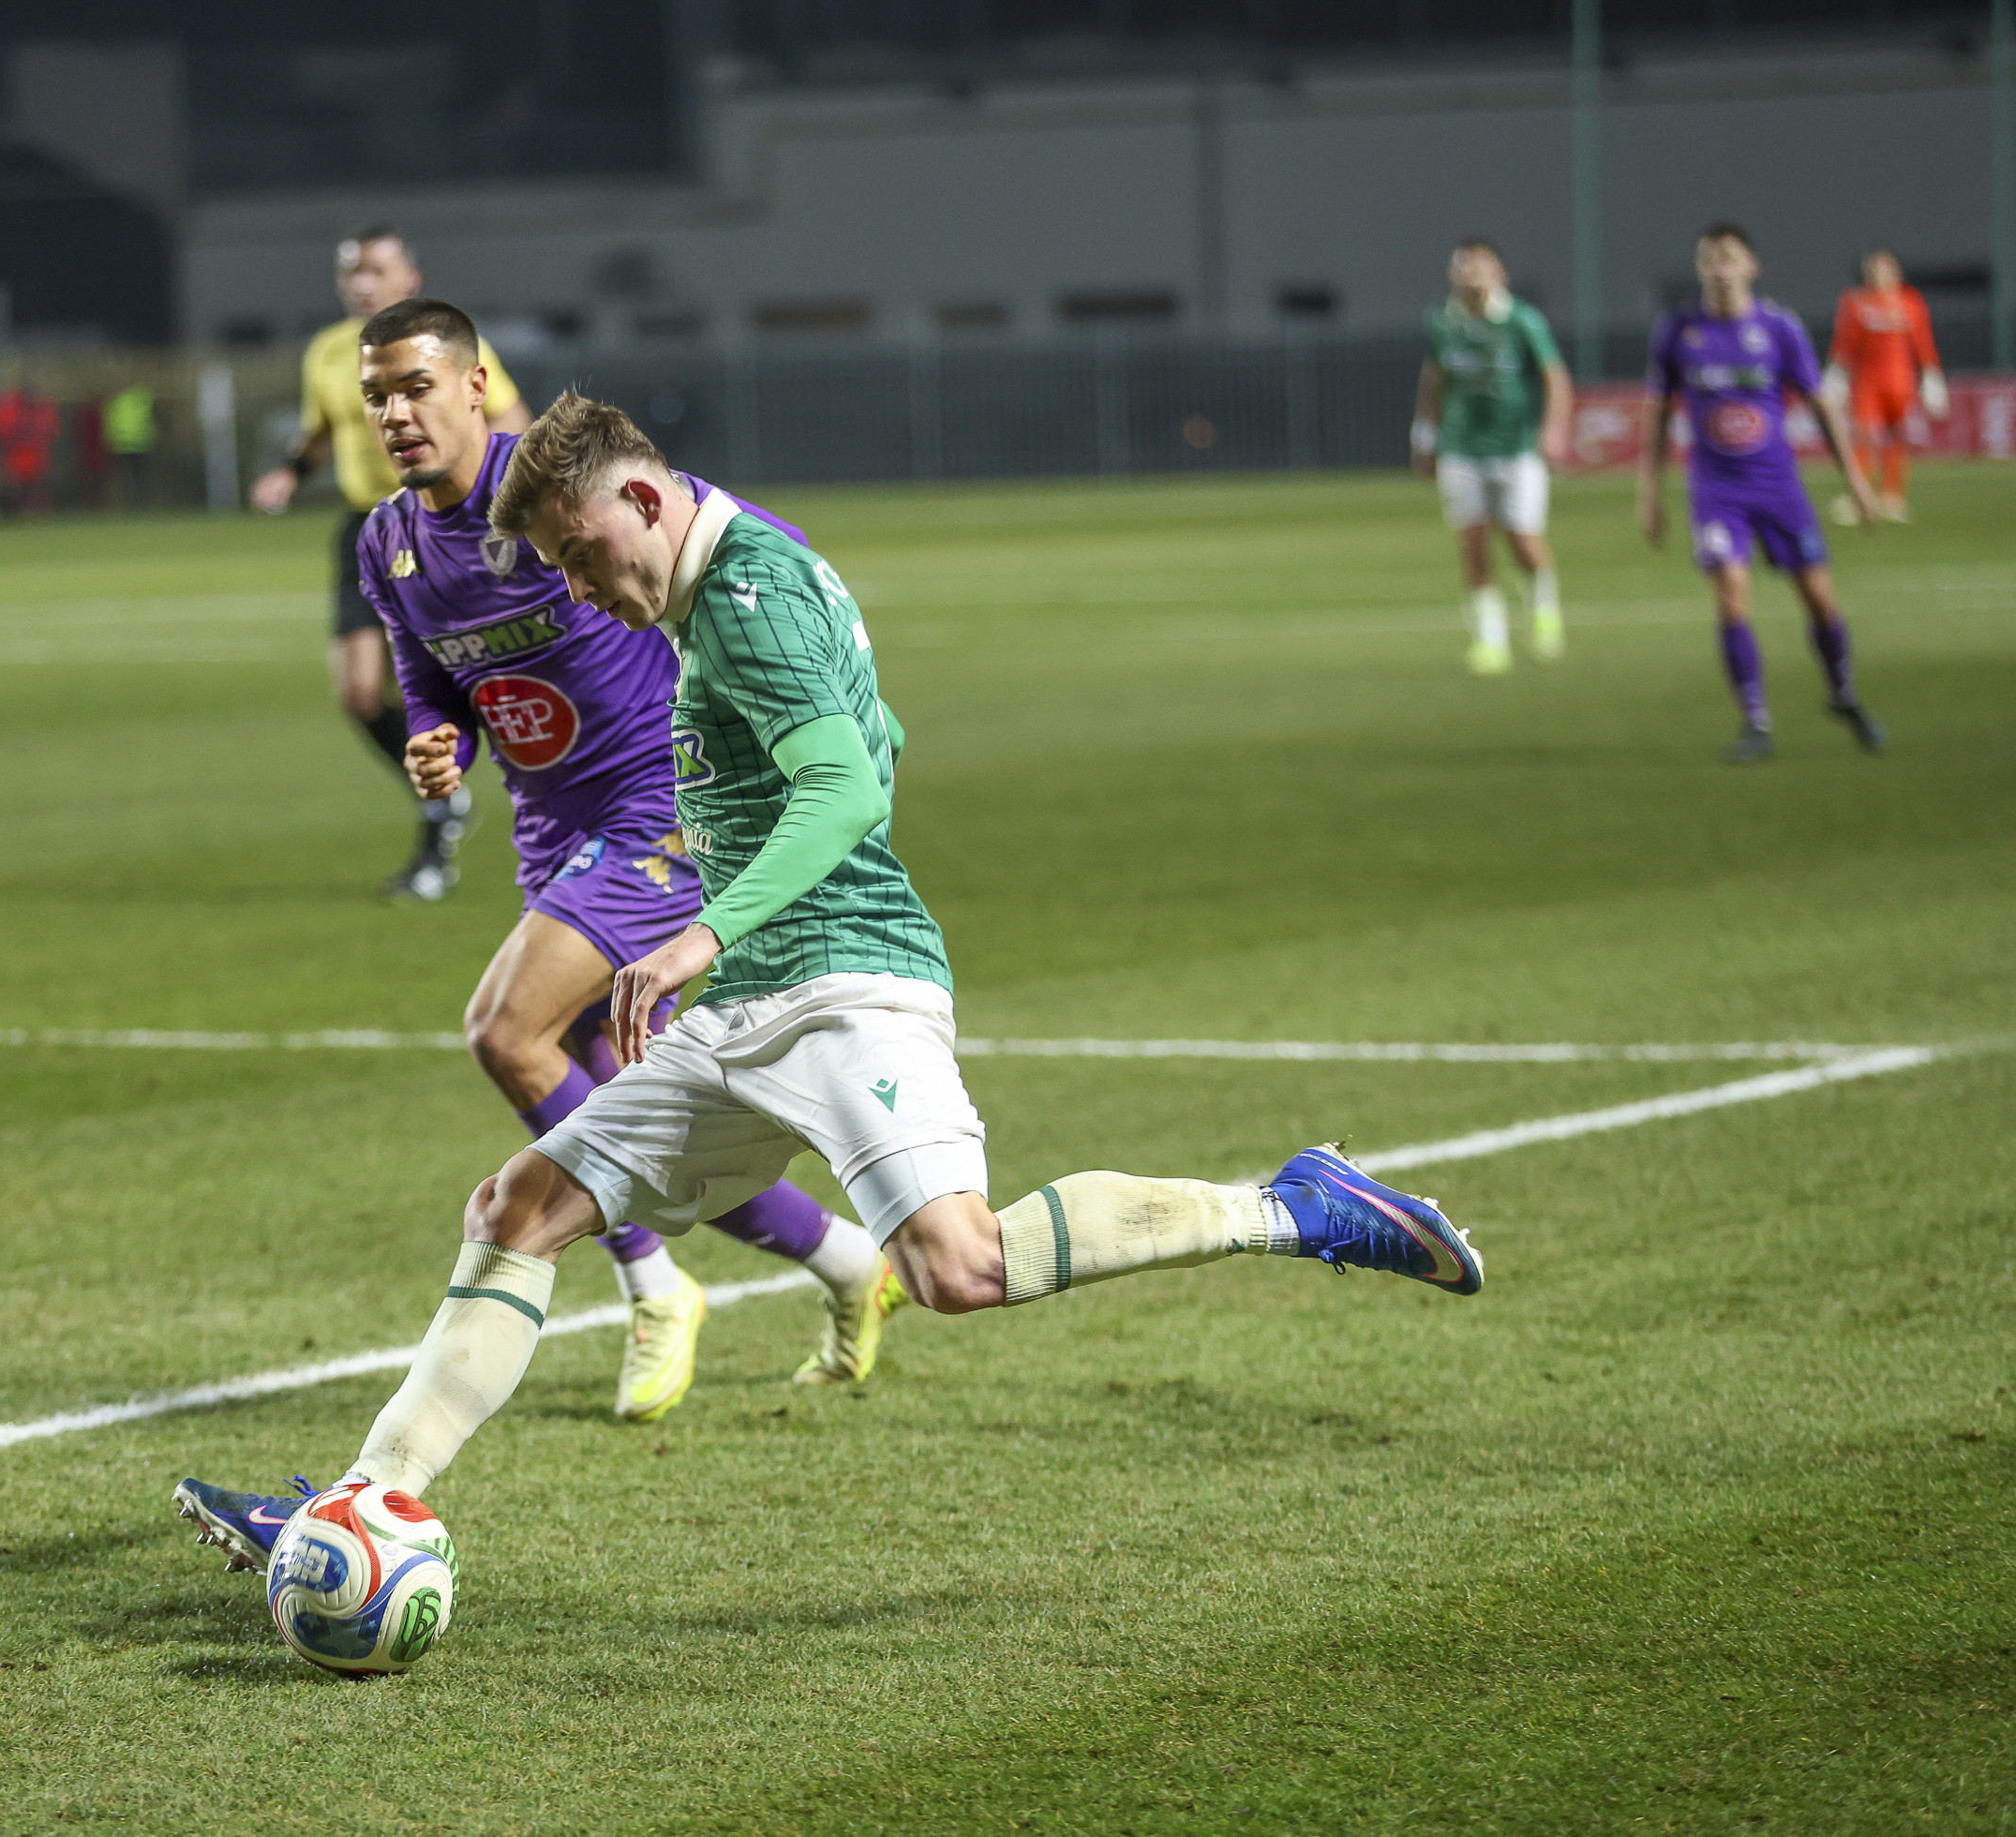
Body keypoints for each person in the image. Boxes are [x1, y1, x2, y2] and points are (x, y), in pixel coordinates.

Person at [173, 392, 1483, 1571]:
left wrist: (702, 932)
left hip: (844, 984)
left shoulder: (746, 593)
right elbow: (881, 734)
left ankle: (1291, 1205)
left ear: (645, 499)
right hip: (746, 1006)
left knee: (959, 1267)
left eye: (582, 553)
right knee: (518, 1206)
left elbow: (848, 786)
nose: (578, 586)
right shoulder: (728, 587)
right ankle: (365, 1502)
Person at [351, 297, 892, 1425]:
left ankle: (652, 1284)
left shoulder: (554, 490)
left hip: (661, 807)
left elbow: (706, 526)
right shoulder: (386, 543)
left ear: (473, 383)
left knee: (505, 1031)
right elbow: (431, 677)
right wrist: (434, 739)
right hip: (553, 832)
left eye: (413, 387)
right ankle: (846, 1260)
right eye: (376, 396)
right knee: (630, 1107)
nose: (395, 413)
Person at [249, 229, 533, 903]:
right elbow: (322, 430)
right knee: (359, 692)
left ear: (410, 279)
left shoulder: (444, 345)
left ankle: (498, 823)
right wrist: (290, 472)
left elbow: (514, 421)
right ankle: (444, 802)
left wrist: (505, 503)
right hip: (367, 529)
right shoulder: (328, 352)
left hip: (449, 523)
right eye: (350, 270)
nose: (360, 282)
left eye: (376, 269)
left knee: (489, 678)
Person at [1640, 224, 1886, 764]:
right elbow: (1657, 413)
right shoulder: (1678, 330)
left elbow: (1820, 406)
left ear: (1752, 265)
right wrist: (1649, 494)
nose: (1719, 269)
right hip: (1715, 490)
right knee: (1731, 592)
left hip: (1778, 487)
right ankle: (1755, 720)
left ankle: (1842, 693)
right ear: (1699, 268)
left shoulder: (1779, 327)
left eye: (1729, 258)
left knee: (1819, 598)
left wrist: (1856, 481)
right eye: (1709, 260)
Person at [1411, 238, 1574, 674]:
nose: (1473, 275)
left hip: (1516, 448)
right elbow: (1433, 380)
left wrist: (1554, 430)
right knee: (1473, 543)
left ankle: (1544, 609)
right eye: (1464, 267)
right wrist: (1423, 436)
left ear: (1500, 274)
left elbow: (1554, 376)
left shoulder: (1522, 320)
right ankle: (1490, 638)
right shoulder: (1441, 321)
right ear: (1452, 275)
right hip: (1461, 449)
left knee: (1523, 538)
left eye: (1481, 267)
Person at [1825, 248, 1948, 524]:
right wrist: (1837, 374)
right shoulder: (1856, 301)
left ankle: (1892, 497)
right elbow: (1846, 342)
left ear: (1896, 271)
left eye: (1884, 268)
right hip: (1867, 382)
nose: (1879, 273)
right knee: (1863, 436)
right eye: (1874, 268)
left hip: (1901, 381)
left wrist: (1932, 375)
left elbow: (1923, 341)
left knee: (1898, 438)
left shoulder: (1911, 301)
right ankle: (1859, 497)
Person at [0, 373, 57, 517]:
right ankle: (19, 511)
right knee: (16, 485)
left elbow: (51, 429)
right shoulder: (9, 405)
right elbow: (0, 431)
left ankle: (35, 511)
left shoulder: (42, 406)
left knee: (36, 484)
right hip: (15, 453)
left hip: (36, 452)